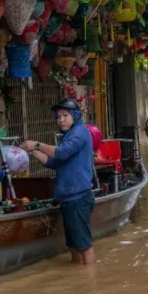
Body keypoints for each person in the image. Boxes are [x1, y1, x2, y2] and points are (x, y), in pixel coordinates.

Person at [21, 99, 96, 265]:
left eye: (65, 115)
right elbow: (53, 162)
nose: (60, 119)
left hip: (78, 198)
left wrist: (38, 144)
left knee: (84, 245)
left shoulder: (80, 132)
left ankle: (91, 283)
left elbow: (61, 153)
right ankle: (79, 277)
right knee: (73, 245)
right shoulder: (69, 136)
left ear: (75, 116)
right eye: (58, 116)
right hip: (68, 199)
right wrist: (34, 152)